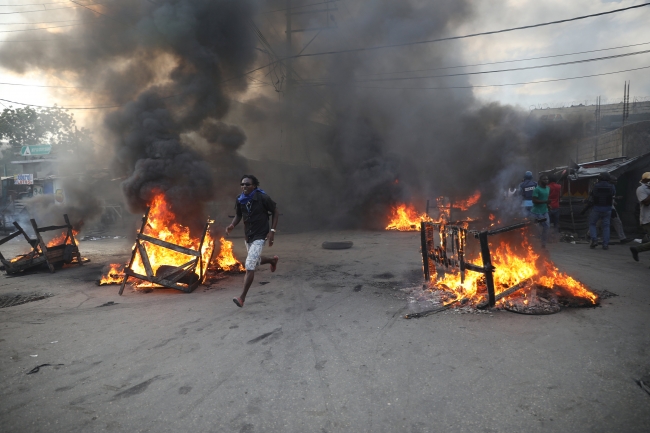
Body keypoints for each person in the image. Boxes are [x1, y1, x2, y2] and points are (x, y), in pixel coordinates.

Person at [225, 175, 279, 308]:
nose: (244, 186)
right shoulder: (240, 199)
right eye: (242, 184)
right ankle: (272, 260)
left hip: (261, 235)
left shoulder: (263, 198)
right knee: (255, 259)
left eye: (247, 184)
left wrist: (272, 231)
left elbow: (275, 211)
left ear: (254, 186)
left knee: (249, 265)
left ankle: (242, 297)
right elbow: (239, 214)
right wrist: (232, 225)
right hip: (248, 235)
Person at [585, 172, 616, 250]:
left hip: (597, 208)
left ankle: (594, 240)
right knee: (606, 226)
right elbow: (613, 194)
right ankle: (605, 244)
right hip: (607, 209)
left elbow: (592, 195)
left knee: (592, 224)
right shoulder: (611, 186)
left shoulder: (596, 186)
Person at [630, 172, 650, 262]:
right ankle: (637, 249)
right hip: (647, 220)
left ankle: (637, 249)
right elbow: (646, 202)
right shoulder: (641, 189)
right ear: (645, 180)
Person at [608, 176, 631, 244]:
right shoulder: (609, 186)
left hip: (610, 206)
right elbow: (608, 196)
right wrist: (616, 198)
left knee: (617, 222)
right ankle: (622, 238)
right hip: (608, 207)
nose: (616, 182)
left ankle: (622, 238)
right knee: (616, 222)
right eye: (614, 180)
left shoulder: (612, 186)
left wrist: (614, 202)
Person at [530, 174, 550, 248]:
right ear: (540, 181)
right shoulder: (537, 189)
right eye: (544, 179)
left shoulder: (548, 188)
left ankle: (543, 243)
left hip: (545, 211)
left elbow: (546, 199)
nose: (546, 181)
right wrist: (545, 202)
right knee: (536, 229)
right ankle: (533, 242)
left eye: (547, 179)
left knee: (547, 227)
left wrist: (548, 205)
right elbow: (534, 200)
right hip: (536, 212)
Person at [547, 175, 562, 240]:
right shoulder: (559, 186)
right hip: (556, 206)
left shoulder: (547, 187)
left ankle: (548, 236)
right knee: (556, 223)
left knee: (548, 223)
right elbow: (560, 195)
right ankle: (556, 236)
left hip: (549, 207)